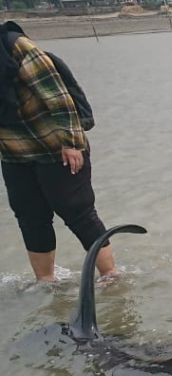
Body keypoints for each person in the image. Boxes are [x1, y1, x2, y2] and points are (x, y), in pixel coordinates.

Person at [0, 21, 116, 283]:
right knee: (30, 218)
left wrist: (72, 142)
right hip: (14, 153)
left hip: (57, 146)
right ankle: (45, 282)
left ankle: (111, 277)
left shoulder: (16, 47)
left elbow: (58, 96)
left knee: (78, 212)